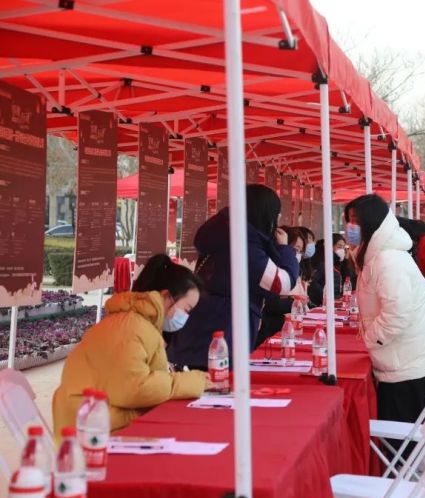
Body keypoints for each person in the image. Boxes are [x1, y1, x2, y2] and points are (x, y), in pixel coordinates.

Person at [53, 254, 208, 436]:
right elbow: (135, 389)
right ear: (167, 296)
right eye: (187, 309)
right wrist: (189, 382)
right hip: (90, 431)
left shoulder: (139, 324)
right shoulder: (130, 328)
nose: (186, 317)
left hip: (99, 421)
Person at [167, 184, 298, 369]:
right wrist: (285, 249)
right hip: (226, 328)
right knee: (218, 382)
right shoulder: (244, 243)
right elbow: (282, 283)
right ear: (265, 213)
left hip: (206, 324)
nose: (277, 220)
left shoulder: (224, 232)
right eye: (277, 214)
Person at [344, 194, 425, 429]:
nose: (350, 227)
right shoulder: (375, 257)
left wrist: (368, 340)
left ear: (371, 221)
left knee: (402, 441)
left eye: (356, 220)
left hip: (408, 369)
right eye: (348, 220)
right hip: (402, 361)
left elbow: (397, 314)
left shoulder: (388, 261)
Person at [255, 226, 309, 346]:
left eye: (301, 251)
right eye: (295, 249)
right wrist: (294, 302)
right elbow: (271, 304)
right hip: (269, 331)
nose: (298, 254)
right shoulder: (271, 269)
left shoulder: (295, 270)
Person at [308, 235, 345, 307]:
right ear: (330, 246)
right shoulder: (322, 261)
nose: (342, 250)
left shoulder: (336, 262)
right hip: (321, 303)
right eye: (339, 246)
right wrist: (328, 296)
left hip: (333, 301)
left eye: (343, 247)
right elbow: (312, 282)